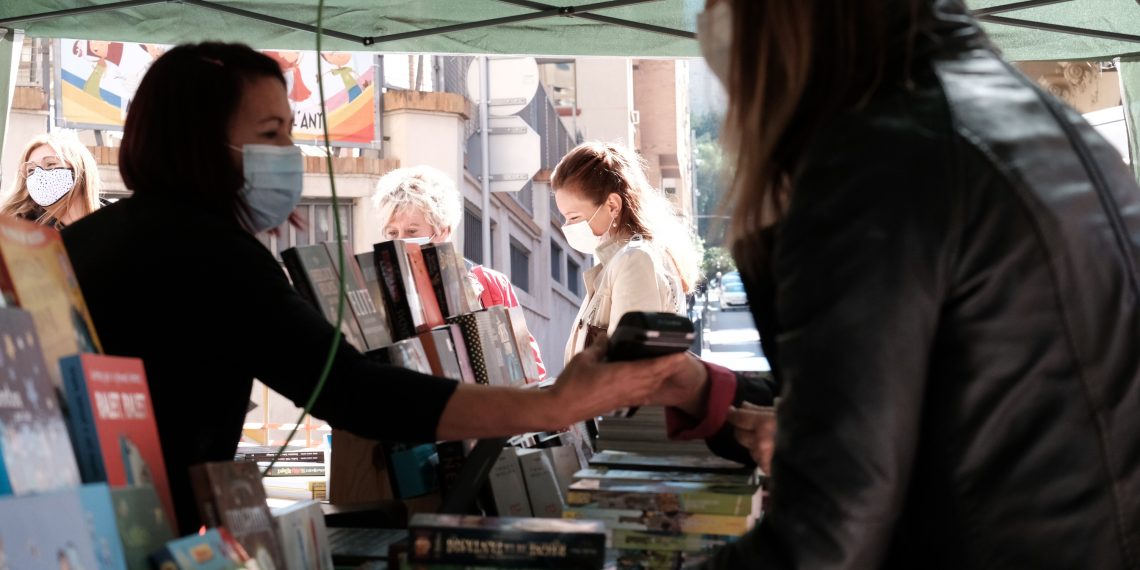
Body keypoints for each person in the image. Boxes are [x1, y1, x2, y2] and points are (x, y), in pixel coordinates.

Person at [60, 43, 702, 534]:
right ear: (201, 143)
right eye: (270, 134)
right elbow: (356, 391)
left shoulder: (93, 238)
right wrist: (550, 406)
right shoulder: (212, 255)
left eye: (290, 128)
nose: (291, 151)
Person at [660, 0, 1140, 567]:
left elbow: (822, 540)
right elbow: (916, 394)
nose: (707, 19)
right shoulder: (1037, 121)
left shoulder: (881, 158)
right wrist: (702, 388)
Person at [371, 165, 546, 379]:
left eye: (411, 231)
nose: (400, 240)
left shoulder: (490, 284)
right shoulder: (376, 289)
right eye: (392, 232)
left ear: (443, 231)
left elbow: (531, 368)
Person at [551, 142, 700, 362]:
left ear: (612, 205)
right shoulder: (624, 260)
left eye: (573, 217)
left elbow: (628, 372)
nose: (567, 227)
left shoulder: (636, 260)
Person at [1, 133, 104, 229]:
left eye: (50, 164)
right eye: (31, 170)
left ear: (80, 169)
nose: (39, 175)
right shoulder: (19, 232)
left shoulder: (115, 223)